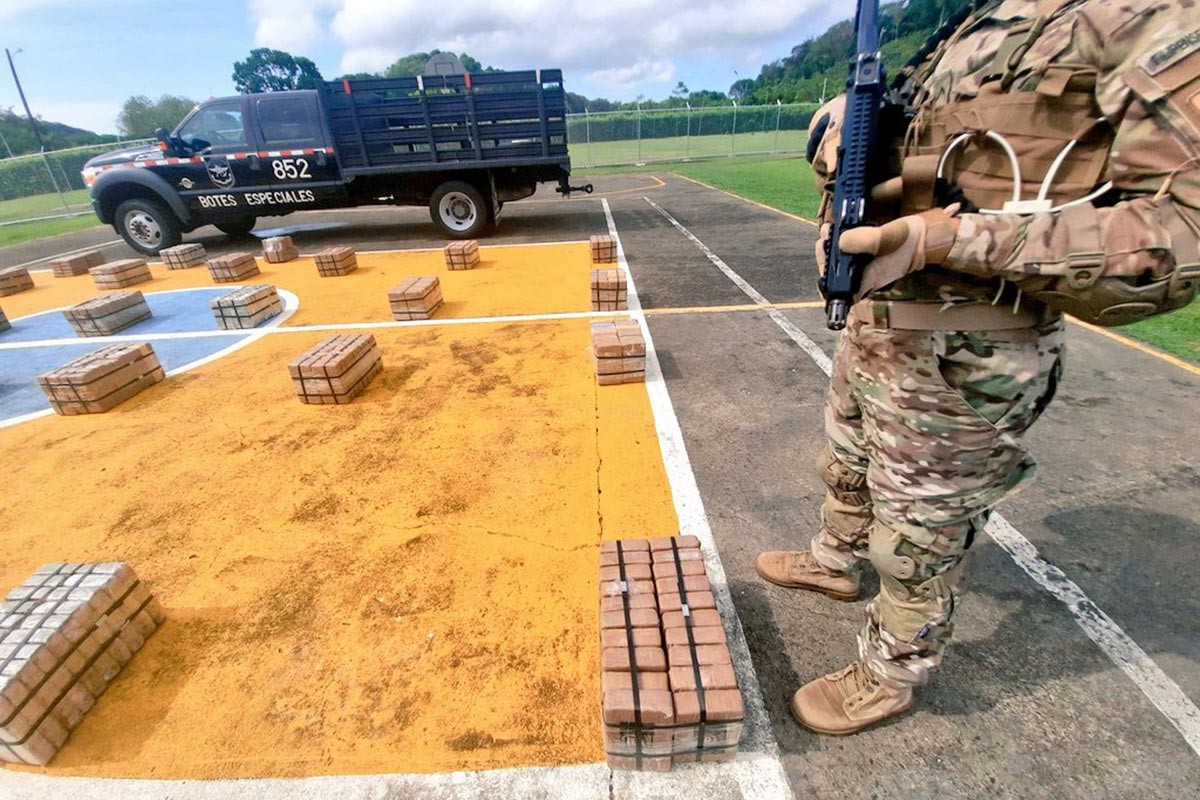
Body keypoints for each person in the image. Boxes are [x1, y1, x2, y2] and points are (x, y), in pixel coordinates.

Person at [756, 0, 1200, 735]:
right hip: (881, 317)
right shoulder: (967, 22)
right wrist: (838, 130)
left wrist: (950, 239)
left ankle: (890, 672)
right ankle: (834, 560)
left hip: (971, 344)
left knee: (916, 538)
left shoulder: (1135, 16)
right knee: (845, 463)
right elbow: (931, 146)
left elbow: (1180, 234)